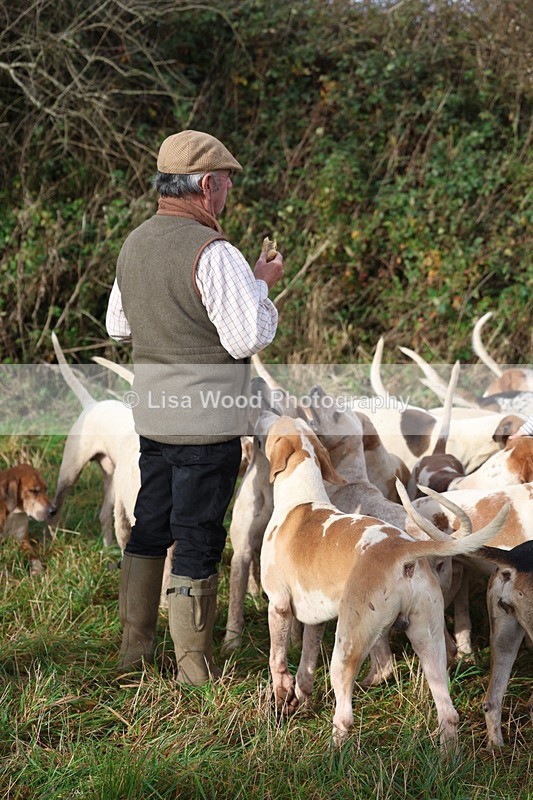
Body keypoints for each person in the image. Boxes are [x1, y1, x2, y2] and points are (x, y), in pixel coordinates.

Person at [106, 130, 283, 684]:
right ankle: (193, 669)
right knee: (199, 536)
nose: (229, 190)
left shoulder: (134, 243)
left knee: (150, 526)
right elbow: (246, 337)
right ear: (206, 185)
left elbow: (118, 326)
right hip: (207, 426)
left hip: (153, 421)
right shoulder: (217, 252)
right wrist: (261, 285)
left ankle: (135, 651)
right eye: (226, 181)